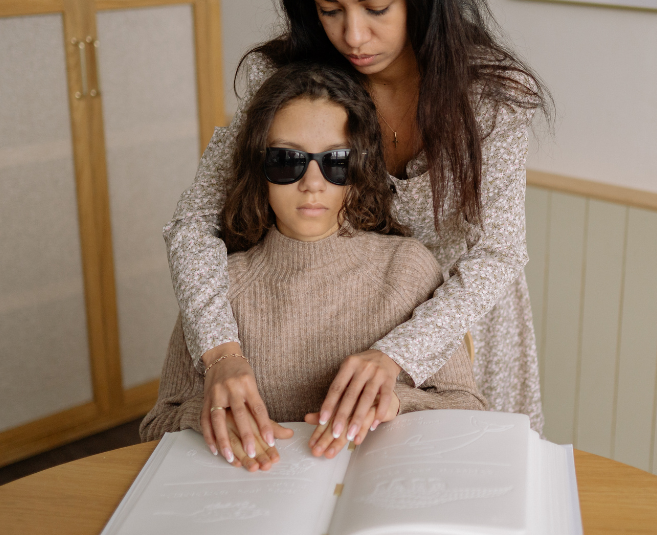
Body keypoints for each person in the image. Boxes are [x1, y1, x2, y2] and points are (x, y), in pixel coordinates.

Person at [165, 0, 550, 468]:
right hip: (340, 327)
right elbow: (193, 224)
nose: (353, 35)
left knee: (466, 486)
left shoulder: (490, 97)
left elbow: (498, 254)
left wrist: (399, 356)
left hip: (459, 334)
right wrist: (220, 351)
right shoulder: (293, 82)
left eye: (376, 6)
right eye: (328, 8)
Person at [142, 63, 484, 469]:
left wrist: (397, 402)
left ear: (359, 170)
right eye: (288, 160)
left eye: (336, 161)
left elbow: (468, 407)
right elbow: (157, 424)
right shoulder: (216, 288)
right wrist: (203, 417)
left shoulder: (407, 270)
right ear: (260, 169)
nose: (313, 182)